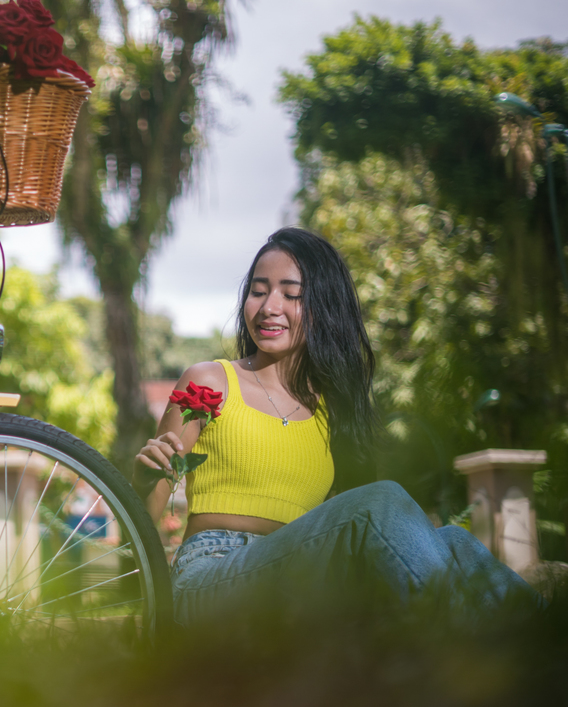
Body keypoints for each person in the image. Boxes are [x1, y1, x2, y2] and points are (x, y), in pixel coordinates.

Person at [133, 227, 539, 625]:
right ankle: (490, 639)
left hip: (301, 578)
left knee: (454, 543)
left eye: (291, 294)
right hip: (211, 575)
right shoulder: (210, 381)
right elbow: (145, 518)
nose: (269, 306)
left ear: (323, 307)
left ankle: (546, 632)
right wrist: (147, 478)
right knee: (378, 502)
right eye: (258, 291)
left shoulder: (334, 412)